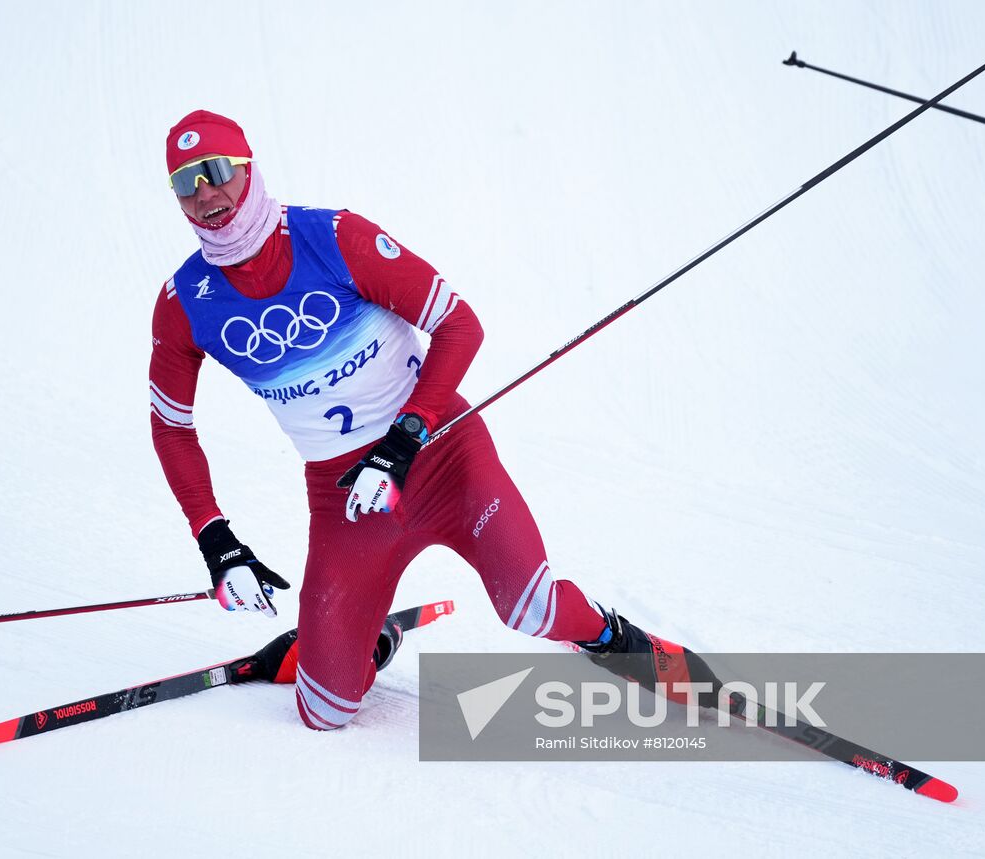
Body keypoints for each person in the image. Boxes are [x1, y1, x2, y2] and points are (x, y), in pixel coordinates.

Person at [149, 110, 710, 731]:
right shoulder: (184, 303)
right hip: (347, 498)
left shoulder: (332, 238)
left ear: (248, 168)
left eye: (217, 170)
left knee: (531, 606)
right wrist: (215, 540)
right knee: (324, 713)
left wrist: (406, 436)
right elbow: (171, 426)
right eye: (185, 183)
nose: (206, 193)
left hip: (441, 453)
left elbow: (459, 323)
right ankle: (363, 637)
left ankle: (618, 641)